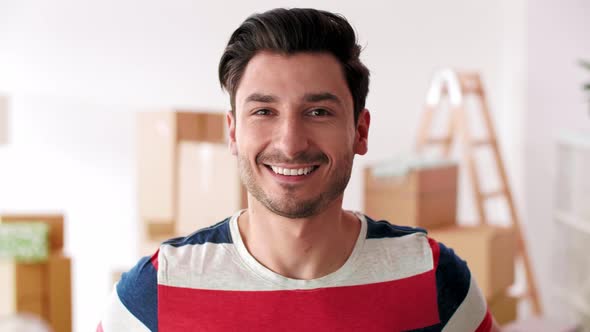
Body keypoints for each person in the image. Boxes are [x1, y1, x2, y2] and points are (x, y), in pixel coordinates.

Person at [98, 8, 500, 331]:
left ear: (360, 131)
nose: (290, 143)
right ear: (233, 133)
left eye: (318, 111)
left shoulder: (430, 278)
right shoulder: (160, 288)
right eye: (264, 111)